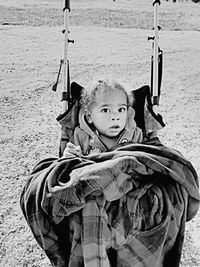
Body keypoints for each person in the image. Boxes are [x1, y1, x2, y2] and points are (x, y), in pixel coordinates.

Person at [63, 77, 143, 157]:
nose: (115, 117)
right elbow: (70, 164)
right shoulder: (81, 137)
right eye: (105, 110)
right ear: (89, 117)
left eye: (121, 109)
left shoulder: (136, 135)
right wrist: (71, 155)